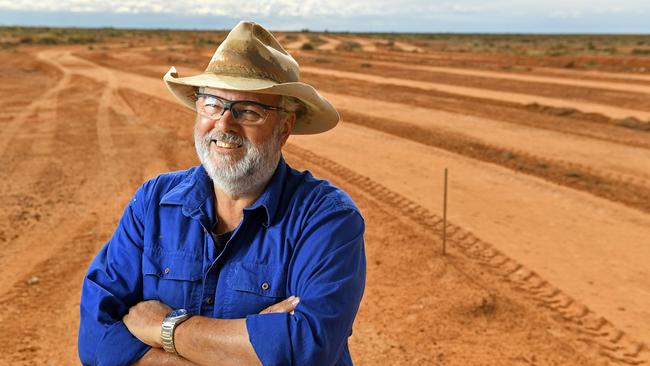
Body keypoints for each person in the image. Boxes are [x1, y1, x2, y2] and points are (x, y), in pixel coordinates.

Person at [77, 21, 366, 366]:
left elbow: (306, 351)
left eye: (248, 111)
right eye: (212, 104)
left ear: (284, 128)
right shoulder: (153, 203)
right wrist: (247, 346)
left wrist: (166, 329)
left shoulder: (327, 219)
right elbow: (96, 341)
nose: (224, 125)